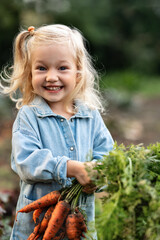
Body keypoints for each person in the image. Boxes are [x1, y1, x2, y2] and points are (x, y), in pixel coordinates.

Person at [1, 24, 114, 240]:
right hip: (37, 228)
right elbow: (26, 162)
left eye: (62, 68)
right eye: (42, 68)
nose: (52, 77)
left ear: (78, 72)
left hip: (79, 227)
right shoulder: (29, 116)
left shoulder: (90, 116)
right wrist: (71, 168)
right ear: (29, 72)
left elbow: (107, 156)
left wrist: (97, 174)